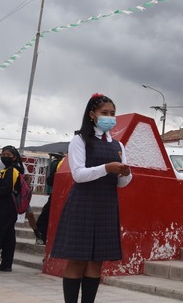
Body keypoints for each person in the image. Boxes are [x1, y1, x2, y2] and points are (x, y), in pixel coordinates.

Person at [51, 94, 132, 303]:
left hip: (106, 205)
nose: (109, 117)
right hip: (83, 204)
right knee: (77, 260)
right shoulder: (79, 140)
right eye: (104, 113)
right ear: (92, 115)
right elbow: (78, 174)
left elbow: (122, 183)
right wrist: (107, 168)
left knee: (97, 262)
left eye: (112, 113)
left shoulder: (118, 146)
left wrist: (125, 174)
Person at [0, 146, 26, 272]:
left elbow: (6, 188)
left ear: (14, 156)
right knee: (8, 236)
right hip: (8, 207)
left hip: (6, 207)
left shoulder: (12, 170)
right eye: (3, 154)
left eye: (8, 154)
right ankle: (6, 264)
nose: (5, 156)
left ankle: (6, 263)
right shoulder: (11, 169)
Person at [36, 152, 65, 245]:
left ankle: (43, 238)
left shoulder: (59, 164)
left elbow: (50, 180)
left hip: (57, 195)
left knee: (45, 218)